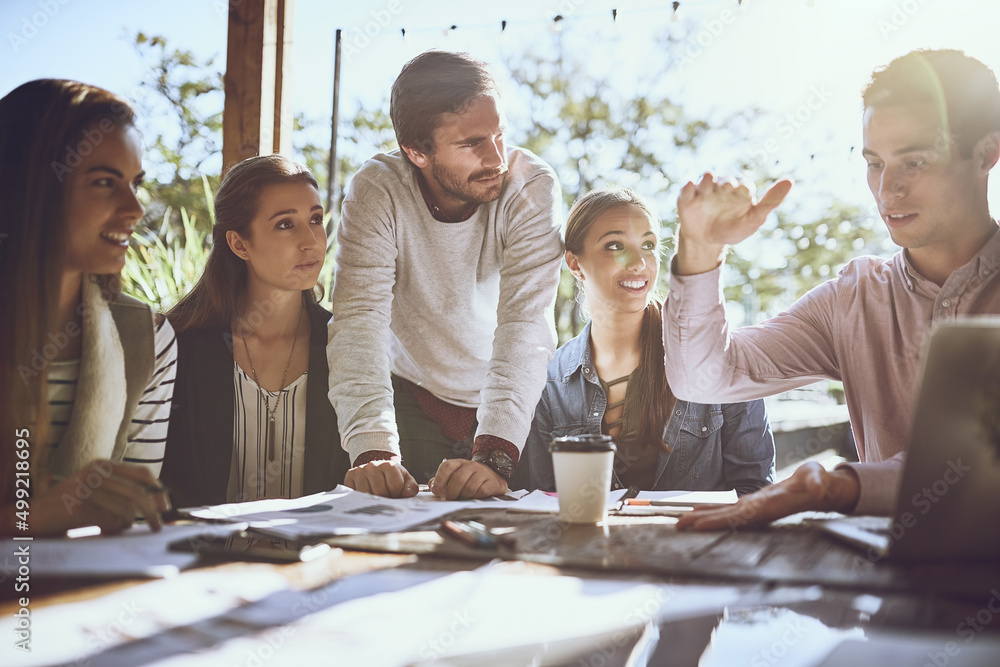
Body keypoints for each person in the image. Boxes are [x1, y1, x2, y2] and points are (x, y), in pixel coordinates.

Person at [663, 49, 1000, 530]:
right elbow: (704, 379)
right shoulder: (852, 299)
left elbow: (983, 468)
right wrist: (699, 251)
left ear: (987, 154)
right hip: (885, 580)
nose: (888, 190)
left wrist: (836, 487)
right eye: (875, 163)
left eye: (915, 162)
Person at [328, 50, 563, 500]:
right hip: (412, 396)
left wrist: (495, 454)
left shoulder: (531, 186)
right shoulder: (378, 190)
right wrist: (372, 452)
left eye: (500, 134)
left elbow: (526, 324)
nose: (496, 156)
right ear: (416, 152)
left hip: (512, 398)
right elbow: (359, 322)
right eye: (472, 143)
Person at [0, 80, 175, 536]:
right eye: (104, 182)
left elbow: (134, 513)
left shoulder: (148, 336)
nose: (134, 208)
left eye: (136, 184)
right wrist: (32, 519)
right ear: (28, 184)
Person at [518, 187, 775, 494]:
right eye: (615, 245)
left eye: (648, 245)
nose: (639, 263)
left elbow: (756, 491)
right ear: (575, 264)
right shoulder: (550, 381)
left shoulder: (715, 355)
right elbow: (548, 501)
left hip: (701, 541)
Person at [162, 155, 349, 507]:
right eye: (285, 225)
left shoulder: (343, 346)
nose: (311, 241)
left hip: (318, 557)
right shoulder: (179, 348)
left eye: (315, 219)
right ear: (239, 244)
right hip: (201, 559)